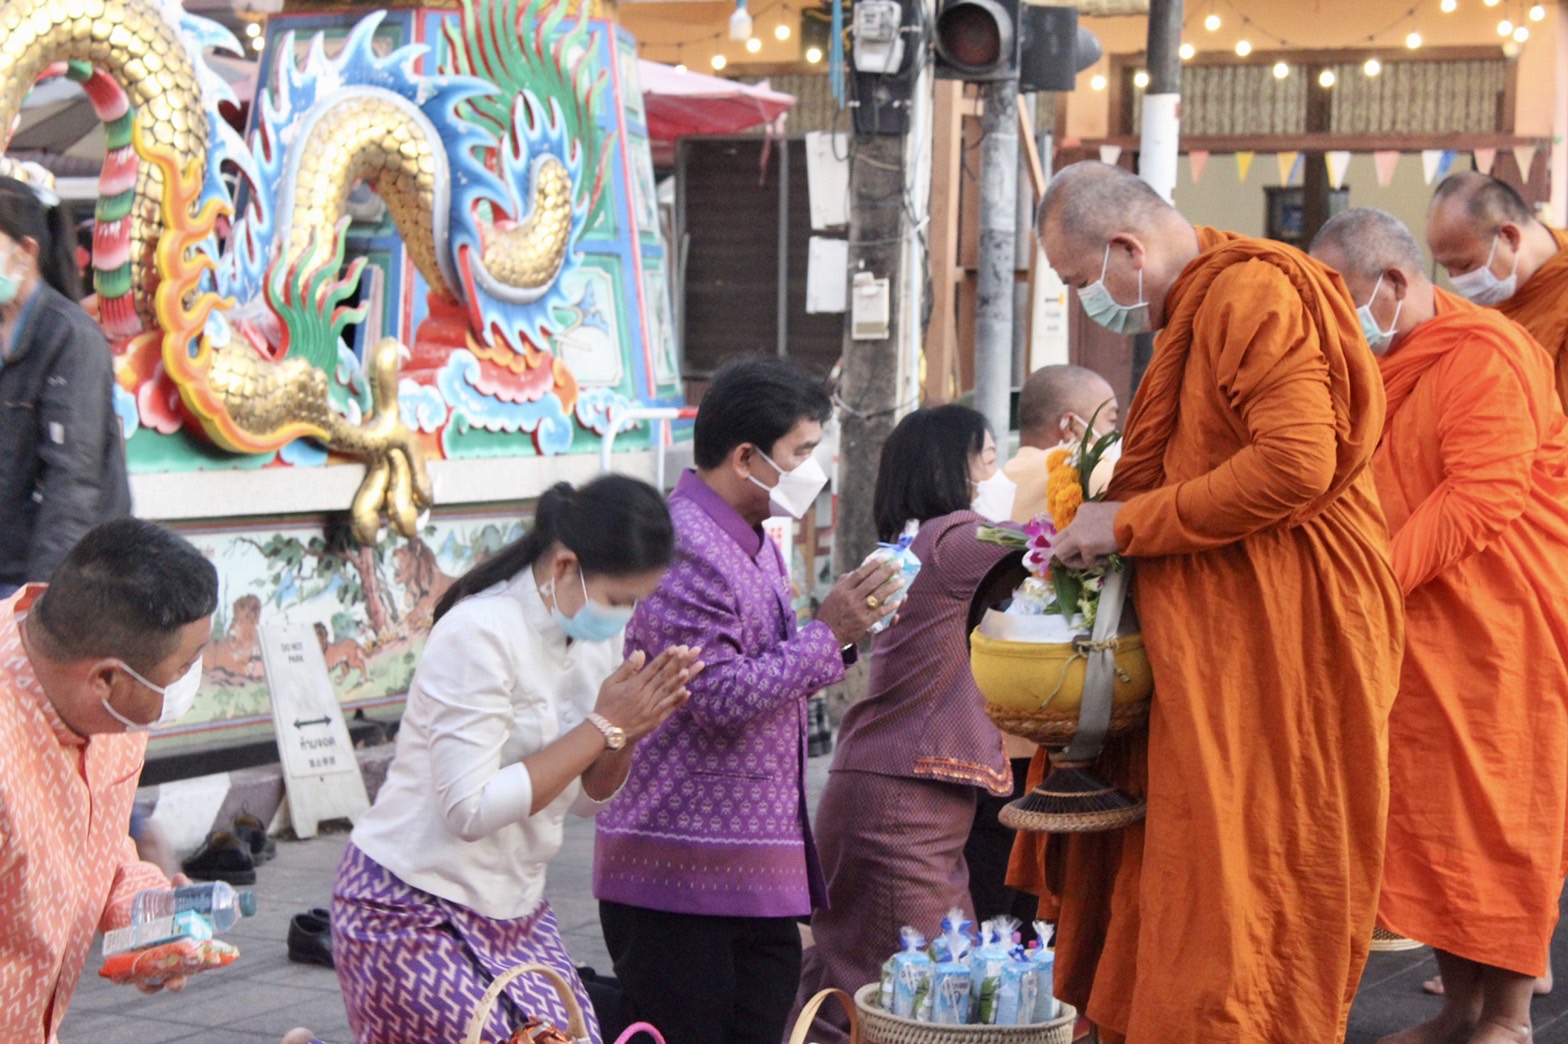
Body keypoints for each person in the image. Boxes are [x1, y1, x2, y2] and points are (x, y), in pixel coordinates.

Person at [1031, 161, 1404, 1043]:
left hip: (1288, 636)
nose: (1092, 301)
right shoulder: (1200, 307)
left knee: (1250, 865)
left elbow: (1296, 465)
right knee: (1192, 862)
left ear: (1127, 249)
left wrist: (1127, 524)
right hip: (1224, 637)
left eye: (1083, 282)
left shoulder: (1247, 294)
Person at [1312, 209, 1568, 1044]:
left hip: (1499, 627)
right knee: (1427, 821)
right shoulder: (1390, 359)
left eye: (1341, 296)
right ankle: (1459, 1009)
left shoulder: (1487, 353)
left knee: (1498, 815)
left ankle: (1510, 1016)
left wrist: (1374, 581)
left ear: (1392, 282)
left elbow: (1483, 494)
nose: (1335, 318)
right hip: (1417, 629)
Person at [593, 356, 902, 1044]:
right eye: (801, 452)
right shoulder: (682, 545)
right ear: (745, 456)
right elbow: (716, 694)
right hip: (682, 873)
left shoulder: (754, 536)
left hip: (751, 861)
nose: (811, 470)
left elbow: (771, 661)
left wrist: (840, 634)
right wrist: (831, 633)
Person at [331, 476, 703, 1044]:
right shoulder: (479, 632)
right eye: (618, 599)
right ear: (563, 567)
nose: (625, 618)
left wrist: (628, 733)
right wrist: (604, 726)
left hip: (516, 910)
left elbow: (582, 799)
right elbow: (471, 810)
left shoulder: (596, 640)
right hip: (408, 907)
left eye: (635, 603)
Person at [788, 404, 1019, 1041]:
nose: (999, 474)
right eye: (991, 459)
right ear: (955, 468)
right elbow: (1054, 548)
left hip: (883, 784)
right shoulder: (958, 540)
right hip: (902, 804)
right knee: (923, 995)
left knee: (859, 975)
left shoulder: (911, 545)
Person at [0, 517, 217, 1041]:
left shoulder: (109, 709)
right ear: (106, 678)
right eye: (183, 668)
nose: (192, 680)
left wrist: (140, 913)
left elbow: (96, 833)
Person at [0, 177, 130, 599]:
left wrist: (40, 601)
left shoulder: (70, 338)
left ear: (25, 253)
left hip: (43, 578)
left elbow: (72, 485)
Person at [1428, 172, 1568, 411]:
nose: (1458, 281)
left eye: (1465, 266)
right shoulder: (1482, 311)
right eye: (1447, 269)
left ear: (1509, 237)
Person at [1006, 364, 1119, 524]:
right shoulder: (1085, 465)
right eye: (1111, 420)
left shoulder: (1003, 478)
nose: (1114, 433)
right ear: (1070, 426)